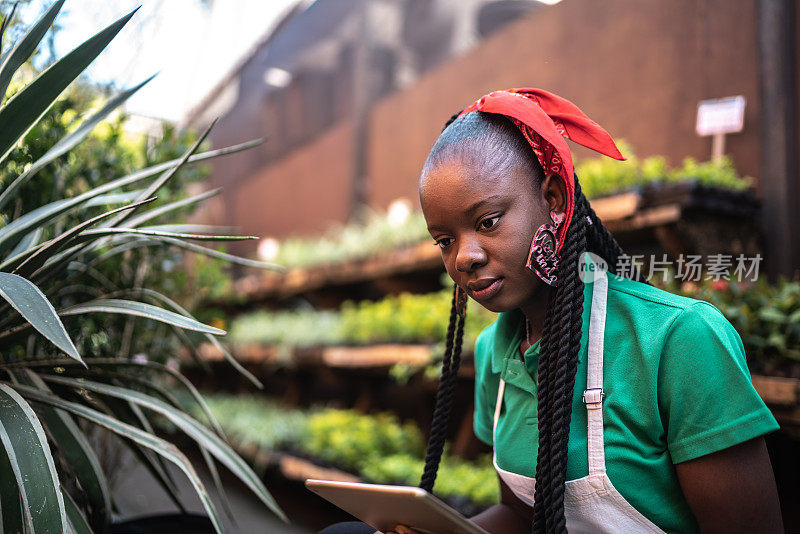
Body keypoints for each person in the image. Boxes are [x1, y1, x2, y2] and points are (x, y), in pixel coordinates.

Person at [321, 88, 783, 534]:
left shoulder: (679, 340)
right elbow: (523, 517)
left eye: (487, 222)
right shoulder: (494, 354)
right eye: (445, 240)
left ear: (554, 200)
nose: (465, 256)